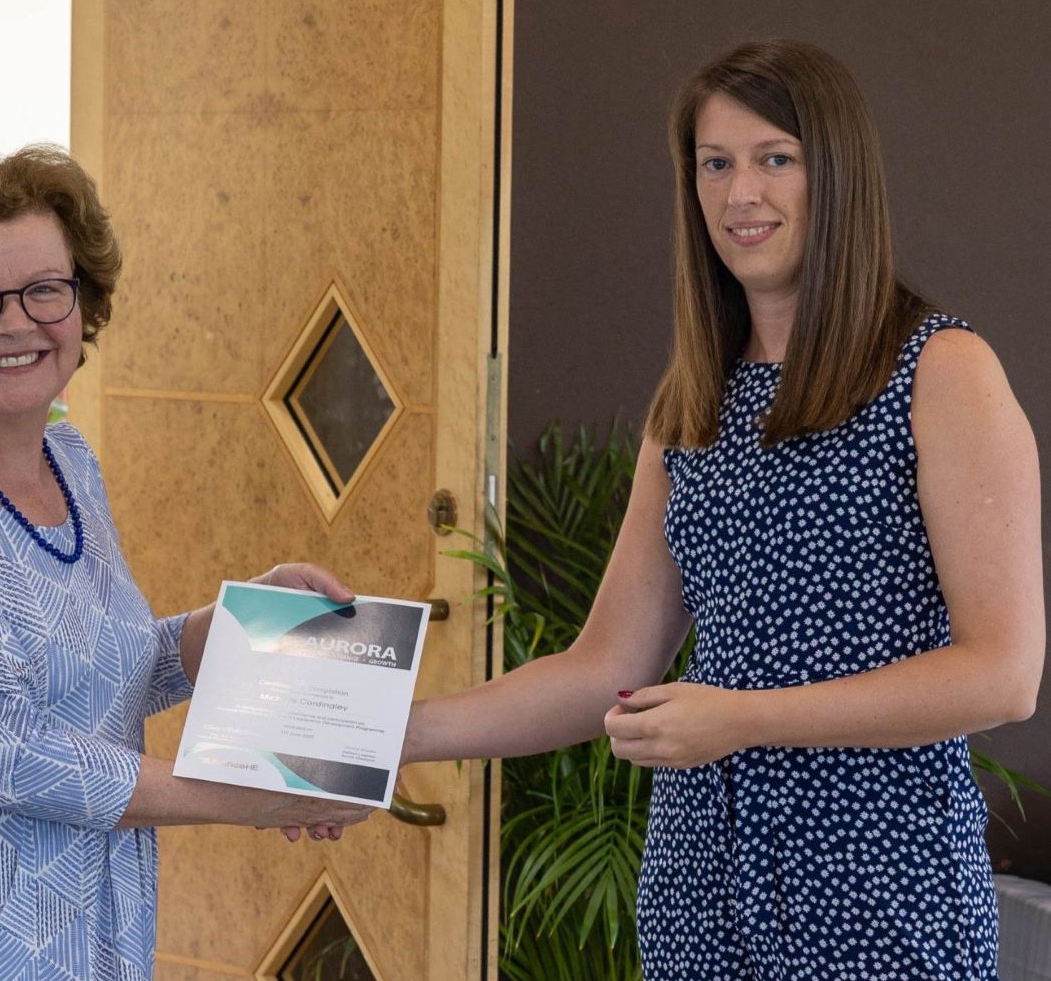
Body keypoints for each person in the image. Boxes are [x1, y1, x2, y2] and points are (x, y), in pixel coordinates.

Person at [402, 38, 1043, 979]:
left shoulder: (941, 372)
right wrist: (387, 737)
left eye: (774, 159)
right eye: (715, 164)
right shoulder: (692, 402)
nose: (740, 194)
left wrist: (744, 716)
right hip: (698, 893)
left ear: (838, 173)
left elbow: (1003, 674)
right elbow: (603, 667)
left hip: (880, 892)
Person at [0, 146, 371, 980]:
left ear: (83, 303)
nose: (17, 323)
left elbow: (105, 669)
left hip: (91, 931)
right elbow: (11, 750)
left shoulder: (70, 461)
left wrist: (238, 623)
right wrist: (252, 799)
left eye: (45, 289)